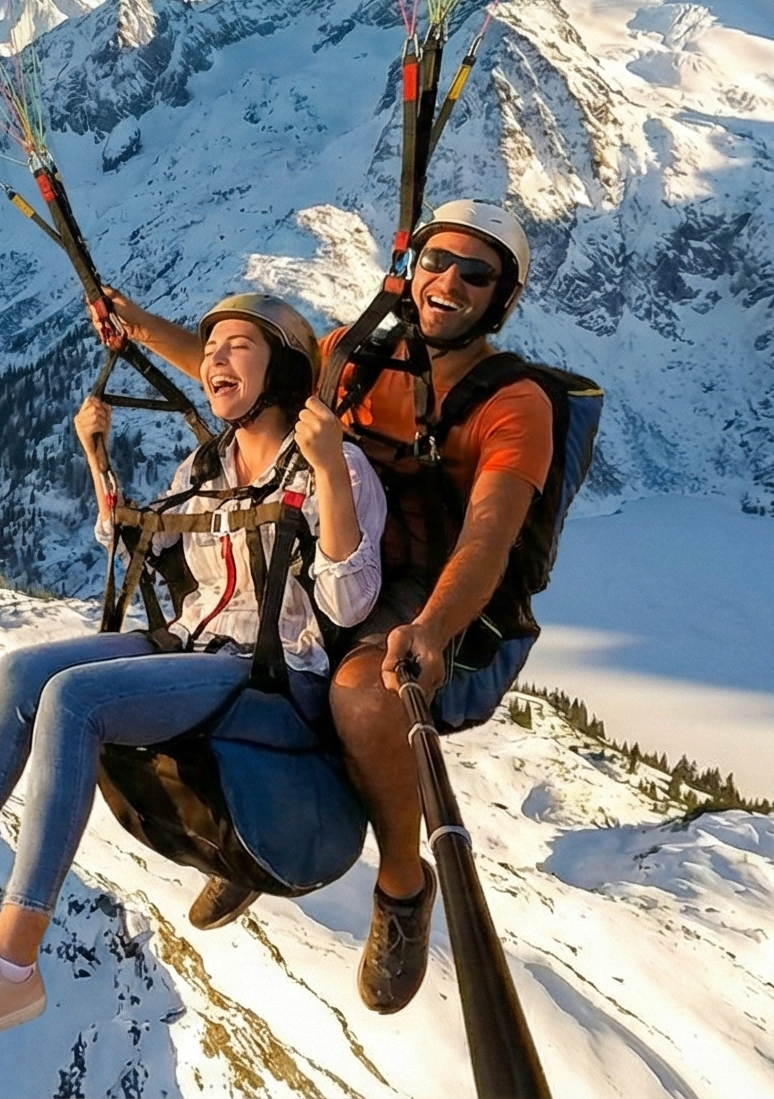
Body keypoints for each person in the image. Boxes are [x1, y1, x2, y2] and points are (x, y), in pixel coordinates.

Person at [0, 293, 386, 1051]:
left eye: (238, 348)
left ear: (285, 369)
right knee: (20, 674)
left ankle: (13, 963)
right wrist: (98, 461)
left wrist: (326, 470)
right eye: (211, 347)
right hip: (192, 643)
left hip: (272, 672)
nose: (215, 360)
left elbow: (350, 601)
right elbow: (145, 548)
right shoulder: (208, 462)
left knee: (74, 702)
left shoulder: (337, 465)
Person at [103, 200, 551, 1016]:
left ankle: (403, 890)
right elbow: (250, 373)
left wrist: (432, 628)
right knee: (233, 653)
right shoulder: (354, 353)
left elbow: (487, 535)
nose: (447, 281)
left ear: (501, 294)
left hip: (426, 577)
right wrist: (139, 328)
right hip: (329, 534)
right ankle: (256, 837)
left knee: (361, 695)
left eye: (474, 273)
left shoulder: (514, 405)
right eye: (436, 262)